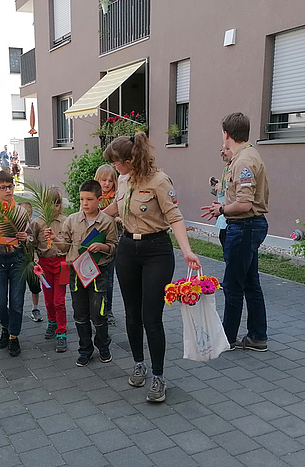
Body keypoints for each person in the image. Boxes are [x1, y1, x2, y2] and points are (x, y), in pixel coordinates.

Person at [102, 132, 200, 403]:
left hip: (156, 251)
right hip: (127, 250)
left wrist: (187, 251)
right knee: (131, 313)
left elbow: (175, 217)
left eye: (118, 163)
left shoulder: (159, 181)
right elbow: (116, 207)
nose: (115, 168)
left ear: (131, 159)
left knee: (151, 316)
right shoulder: (123, 179)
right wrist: (89, 217)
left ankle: (158, 376)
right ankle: (138, 363)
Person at [202, 112, 270, 352]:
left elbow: (244, 204)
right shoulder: (243, 156)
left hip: (244, 227)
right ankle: (257, 337)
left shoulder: (243, 162)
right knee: (251, 282)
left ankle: (227, 338)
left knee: (232, 285)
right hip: (248, 226)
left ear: (226, 134)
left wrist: (220, 209)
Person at [46, 180, 118, 367]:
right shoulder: (72, 220)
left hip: (98, 273)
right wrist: (54, 239)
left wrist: (103, 246)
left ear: (99, 200)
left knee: (98, 313)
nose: (85, 203)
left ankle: (103, 346)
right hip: (76, 273)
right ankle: (85, 349)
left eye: (89, 199)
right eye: (82, 199)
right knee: (80, 313)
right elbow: (63, 247)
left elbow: (114, 247)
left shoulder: (107, 222)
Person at [0, 171, 30, 356]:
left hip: (17, 259)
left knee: (17, 302)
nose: (8, 190)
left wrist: (26, 237)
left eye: (10, 186)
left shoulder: (20, 212)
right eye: (3, 187)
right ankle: (5, 326)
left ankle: (13, 336)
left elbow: (30, 236)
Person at [30, 187, 69, 352]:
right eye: (51, 204)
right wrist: (35, 259)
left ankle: (62, 332)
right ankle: (52, 321)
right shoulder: (37, 222)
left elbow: (68, 244)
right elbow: (31, 243)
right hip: (44, 264)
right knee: (48, 298)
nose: (55, 208)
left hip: (62, 264)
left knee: (59, 300)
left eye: (57, 204)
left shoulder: (66, 221)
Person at [94, 164, 121, 327]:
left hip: (111, 244)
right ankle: (95, 308)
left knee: (109, 279)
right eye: (104, 180)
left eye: (110, 181)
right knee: (95, 276)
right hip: (94, 242)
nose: (107, 184)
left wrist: (118, 220)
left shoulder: (117, 198)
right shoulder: (93, 197)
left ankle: (108, 309)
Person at [18, 201, 42, 322]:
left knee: (34, 285)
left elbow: (36, 244)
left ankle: (35, 308)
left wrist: (36, 256)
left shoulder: (33, 226)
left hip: (31, 261)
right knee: (18, 287)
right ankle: (15, 310)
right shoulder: (13, 227)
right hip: (18, 262)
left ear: (30, 214)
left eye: (25, 214)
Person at [209, 147, 232, 247]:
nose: (222, 152)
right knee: (223, 239)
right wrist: (218, 183)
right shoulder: (227, 167)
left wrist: (222, 187)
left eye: (226, 149)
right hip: (224, 215)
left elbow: (235, 190)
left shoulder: (236, 167)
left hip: (231, 216)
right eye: (221, 149)